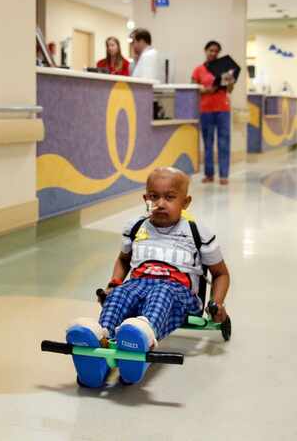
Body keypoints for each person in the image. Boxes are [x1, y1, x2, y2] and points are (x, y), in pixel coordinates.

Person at [65, 167, 230, 387]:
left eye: (170, 197)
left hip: (178, 292)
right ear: (145, 198)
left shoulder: (197, 232)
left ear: (186, 201)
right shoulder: (136, 227)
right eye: (154, 197)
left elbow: (220, 274)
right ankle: (101, 341)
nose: (160, 203)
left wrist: (216, 304)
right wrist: (113, 284)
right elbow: (124, 260)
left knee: (162, 292)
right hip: (139, 284)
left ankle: (142, 337)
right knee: (121, 294)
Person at [191, 40, 234, 185]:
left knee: (224, 142)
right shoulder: (198, 70)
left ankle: (224, 175)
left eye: (216, 51)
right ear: (205, 51)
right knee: (208, 143)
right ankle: (209, 174)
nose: (213, 53)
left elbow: (229, 90)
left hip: (223, 110)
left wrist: (230, 81)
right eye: (211, 50)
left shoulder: (224, 68)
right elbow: (193, 89)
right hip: (206, 110)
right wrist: (206, 90)